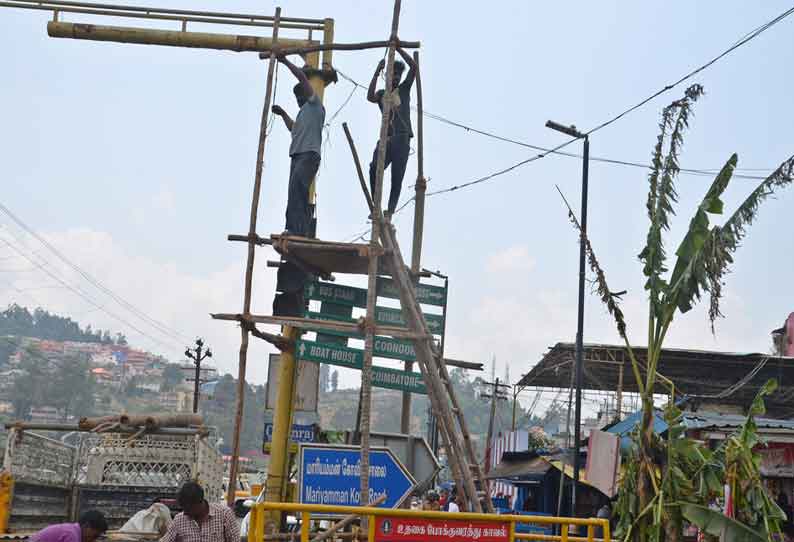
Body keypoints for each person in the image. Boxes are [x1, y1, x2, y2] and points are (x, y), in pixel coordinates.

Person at [272, 54, 325, 237]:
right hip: (297, 155)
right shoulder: (303, 113)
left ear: (306, 92)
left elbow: (302, 77)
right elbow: (293, 128)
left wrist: (285, 61)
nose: (298, 99)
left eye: (299, 94)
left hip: (308, 154)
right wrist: (283, 114)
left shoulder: (314, 104)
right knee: (295, 192)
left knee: (297, 188)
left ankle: (295, 229)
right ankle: (297, 229)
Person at [366, 47, 417, 219]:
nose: (395, 77)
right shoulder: (382, 94)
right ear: (387, 75)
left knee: (397, 176)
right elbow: (369, 97)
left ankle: (389, 211)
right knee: (374, 168)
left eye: (397, 75)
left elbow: (414, 67)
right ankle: (376, 206)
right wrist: (376, 71)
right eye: (392, 74)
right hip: (387, 138)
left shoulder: (403, 89)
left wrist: (398, 47)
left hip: (402, 138)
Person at [160, 481, 239, 542]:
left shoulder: (224, 514)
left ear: (199, 503)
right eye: (183, 508)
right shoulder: (179, 519)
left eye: (187, 509)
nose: (185, 513)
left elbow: (235, 540)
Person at [30, 510, 108, 542]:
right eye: (94, 536)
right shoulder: (72, 535)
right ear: (86, 526)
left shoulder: (72, 529)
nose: (93, 540)